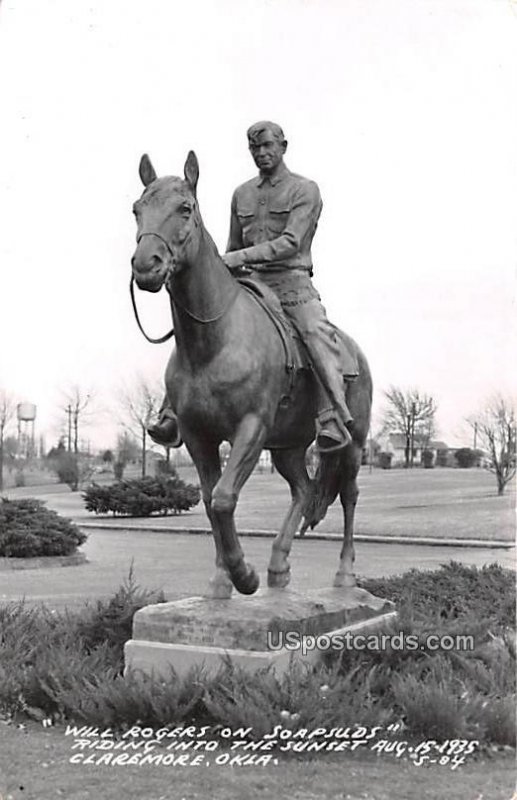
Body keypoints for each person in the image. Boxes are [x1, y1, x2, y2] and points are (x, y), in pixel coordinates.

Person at [148, 121, 358, 452]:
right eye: (255, 148)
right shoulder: (241, 194)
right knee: (198, 328)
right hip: (249, 282)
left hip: (291, 284)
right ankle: (172, 411)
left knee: (314, 332)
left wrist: (234, 258)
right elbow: (233, 244)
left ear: (283, 146)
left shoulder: (305, 190)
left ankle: (330, 414)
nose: (261, 153)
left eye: (268, 146)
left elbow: (291, 241)